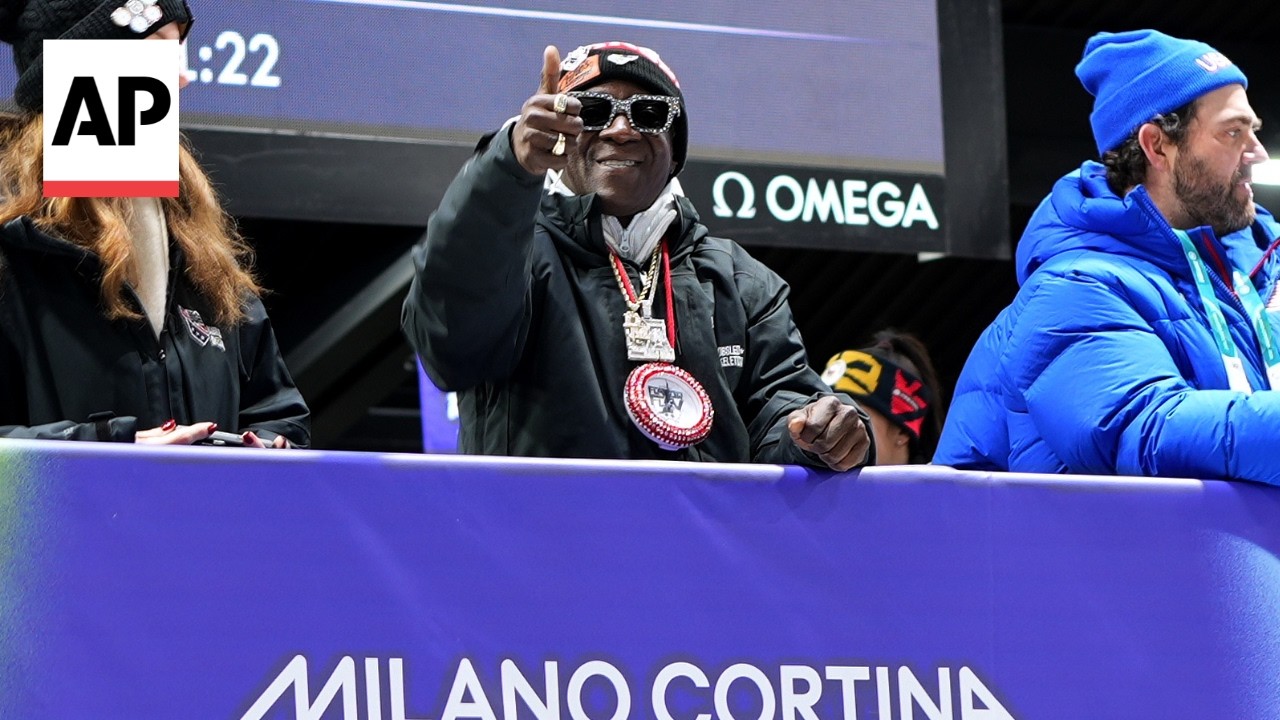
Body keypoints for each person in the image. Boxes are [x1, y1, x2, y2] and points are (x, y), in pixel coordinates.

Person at [402, 42, 872, 469]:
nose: (622, 129)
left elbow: (781, 413)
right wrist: (508, 165)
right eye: (594, 110)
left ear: (675, 150)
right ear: (560, 138)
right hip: (542, 556)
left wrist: (819, 435)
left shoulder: (741, 280)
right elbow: (449, 341)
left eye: (649, 112)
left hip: (699, 558)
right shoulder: (512, 253)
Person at [935, 29, 1280, 482]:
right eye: (1232, 132)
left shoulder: (1262, 273)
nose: (1255, 152)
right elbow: (1147, 430)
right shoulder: (1075, 286)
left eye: (1252, 130)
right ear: (1157, 145)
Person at [0, 0, 310, 448]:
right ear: (86, 69)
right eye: (157, 48)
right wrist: (115, 450)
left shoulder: (196, 238)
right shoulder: (14, 247)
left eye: (179, 49)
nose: (183, 76)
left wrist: (265, 446)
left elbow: (278, 409)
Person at [820, 329, 946, 465]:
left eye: (852, 414)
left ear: (902, 432)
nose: (829, 428)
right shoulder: (805, 480)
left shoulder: (945, 485)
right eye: (823, 414)